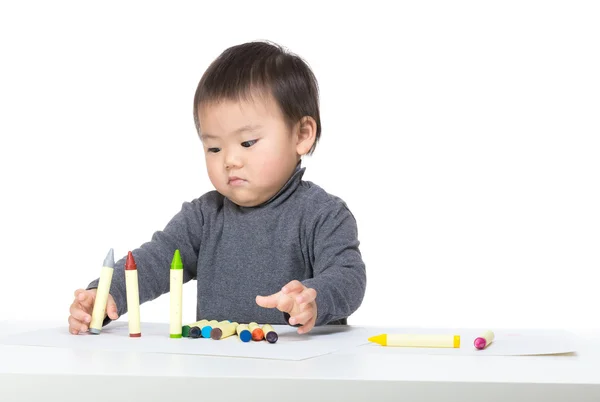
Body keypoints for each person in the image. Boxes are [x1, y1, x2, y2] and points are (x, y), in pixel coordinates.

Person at [68, 40, 366, 336]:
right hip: (219, 367)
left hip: (299, 369)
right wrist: (108, 294)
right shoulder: (204, 216)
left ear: (302, 134)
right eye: (213, 148)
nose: (230, 160)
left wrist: (312, 298)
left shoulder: (323, 214)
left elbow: (348, 278)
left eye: (247, 143)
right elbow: (154, 260)